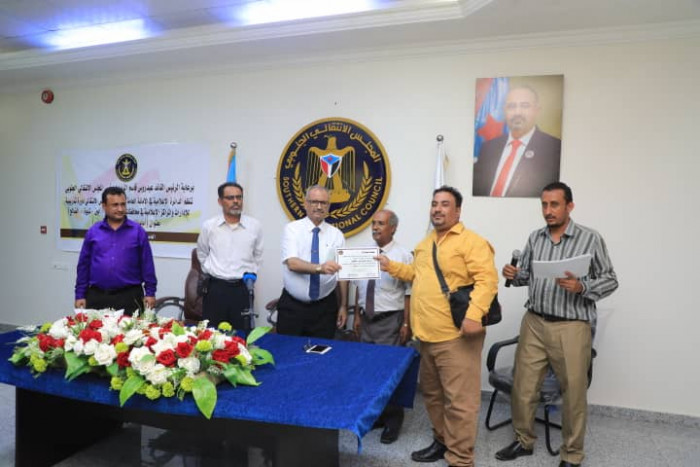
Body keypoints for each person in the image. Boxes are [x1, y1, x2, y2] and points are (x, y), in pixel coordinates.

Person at [495, 182, 618, 467]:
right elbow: (526, 276)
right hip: (534, 322)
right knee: (523, 386)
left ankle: (572, 455)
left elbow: (611, 279)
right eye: (544, 205)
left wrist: (582, 286)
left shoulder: (590, 238)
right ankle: (524, 440)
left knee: (573, 392)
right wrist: (513, 274)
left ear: (569, 206)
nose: (548, 211)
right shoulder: (535, 238)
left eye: (554, 205)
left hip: (571, 325)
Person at [377, 186, 498, 467]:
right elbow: (417, 275)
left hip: (456, 336)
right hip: (426, 336)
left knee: (460, 402)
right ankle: (443, 441)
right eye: (434, 204)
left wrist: (473, 316)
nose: (437, 209)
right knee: (433, 395)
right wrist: (391, 266)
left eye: (445, 204)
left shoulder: (472, 242)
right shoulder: (426, 243)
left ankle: (461, 459)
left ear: (457, 211)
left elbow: (487, 280)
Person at [353, 209, 412, 444]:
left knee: (389, 372)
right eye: (374, 223)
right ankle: (377, 415)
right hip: (366, 319)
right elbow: (359, 286)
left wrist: (406, 322)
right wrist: (357, 315)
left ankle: (393, 420)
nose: (375, 228)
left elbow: (408, 292)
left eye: (381, 224)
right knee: (369, 371)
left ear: (393, 228)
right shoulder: (364, 253)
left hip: (390, 321)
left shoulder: (403, 255)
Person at [277, 185, 348, 338]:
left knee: (322, 350)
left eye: (323, 203)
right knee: (288, 349)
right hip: (293, 307)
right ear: (305, 204)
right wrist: (320, 268)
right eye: (314, 202)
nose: (319, 206)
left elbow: (342, 274)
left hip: (325, 309)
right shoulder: (292, 229)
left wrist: (343, 305)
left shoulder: (337, 235)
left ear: (328, 206)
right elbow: (292, 263)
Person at [75, 186, 157, 315]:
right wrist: (80, 294)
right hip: (98, 297)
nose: (120, 209)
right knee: (94, 329)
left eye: (123, 204)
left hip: (130, 297)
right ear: (104, 206)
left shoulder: (137, 231)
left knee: (132, 329)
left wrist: (150, 293)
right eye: (115, 205)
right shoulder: (93, 232)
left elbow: (147, 264)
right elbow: (83, 266)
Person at [473, 85, 561, 198]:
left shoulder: (554, 149)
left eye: (525, 106)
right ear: (504, 110)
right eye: (511, 106)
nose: (517, 112)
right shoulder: (488, 147)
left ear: (537, 110)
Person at [196, 182, 263, 330]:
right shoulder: (209, 226)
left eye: (239, 197)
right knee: (213, 335)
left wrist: (251, 274)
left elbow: (258, 255)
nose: (236, 201)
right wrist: (210, 269)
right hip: (216, 289)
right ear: (220, 201)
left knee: (243, 335)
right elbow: (201, 252)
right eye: (230, 198)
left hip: (242, 290)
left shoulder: (254, 226)